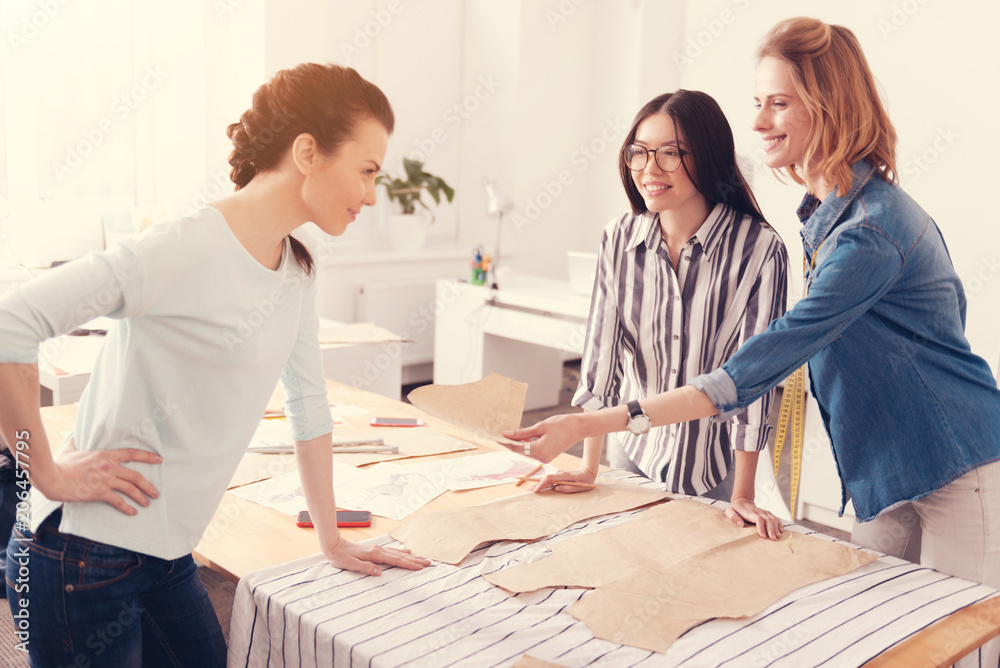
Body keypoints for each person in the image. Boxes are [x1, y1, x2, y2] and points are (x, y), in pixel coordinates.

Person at [505, 18, 1000, 662]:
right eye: (757, 103)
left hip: (959, 466)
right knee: (875, 639)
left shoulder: (867, 233)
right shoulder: (826, 216)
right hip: (885, 468)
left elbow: (750, 372)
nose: (761, 123)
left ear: (831, 106)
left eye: (780, 102)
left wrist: (597, 422)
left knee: (961, 643)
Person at [0, 62, 430, 667]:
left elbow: (309, 405)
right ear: (308, 151)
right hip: (82, 551)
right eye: (366, 171)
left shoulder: (297, 270)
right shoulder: (184, 245)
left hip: (168, 551)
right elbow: (10, 324)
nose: (370, 194)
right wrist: (42, 471)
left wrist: (331, 538)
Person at [535, 90, 788, 541]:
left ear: (707, 157)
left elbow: (754, 383)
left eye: (670, 153)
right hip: (633, 450)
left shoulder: (760, 250)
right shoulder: (619, 238)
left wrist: (744, 494)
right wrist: (590, 466)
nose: (649, 170)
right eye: (639, 153)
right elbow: (601, 361)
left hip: (712, 465)